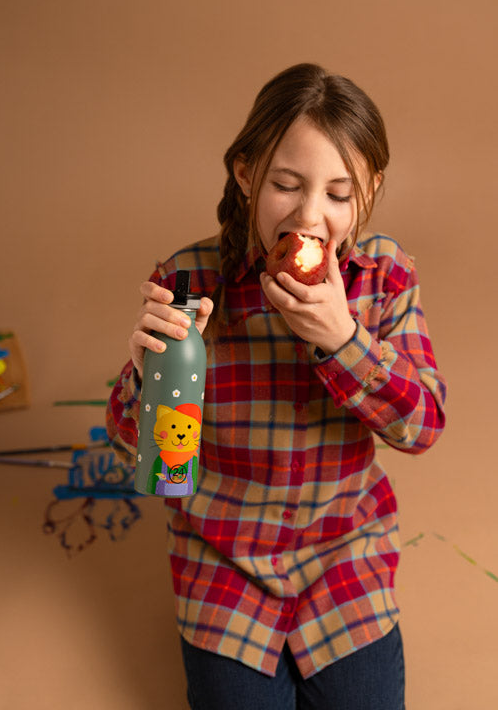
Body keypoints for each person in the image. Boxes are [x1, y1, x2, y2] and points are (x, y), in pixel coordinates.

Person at [106, 63, 447, 710]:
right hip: (223, 565)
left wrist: (344, 340)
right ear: (245, 174)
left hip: (344, 555)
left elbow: (422, 427)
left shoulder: (385, 276)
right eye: (285, 185)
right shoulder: (188, 282)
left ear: (369, 191)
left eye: (339, 195)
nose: (309, 216)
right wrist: (150, 377)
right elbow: (147, 460)